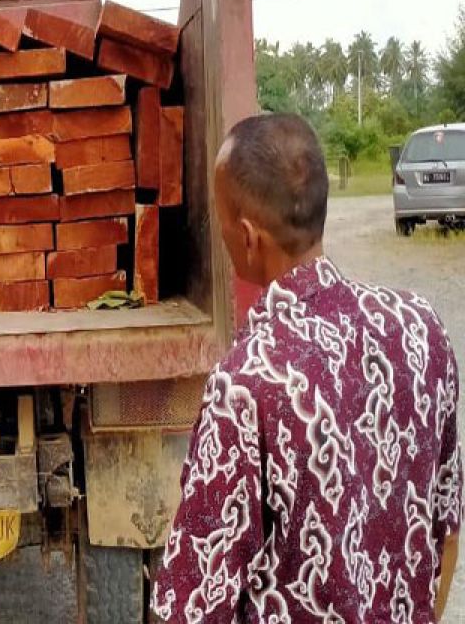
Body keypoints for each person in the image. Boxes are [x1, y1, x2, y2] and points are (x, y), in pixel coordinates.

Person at [152, 113, 461, 622]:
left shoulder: (247, 382)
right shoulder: (422, 328)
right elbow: (446, 529)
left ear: (248, 238)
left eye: (221, 217)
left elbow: (191, 604)